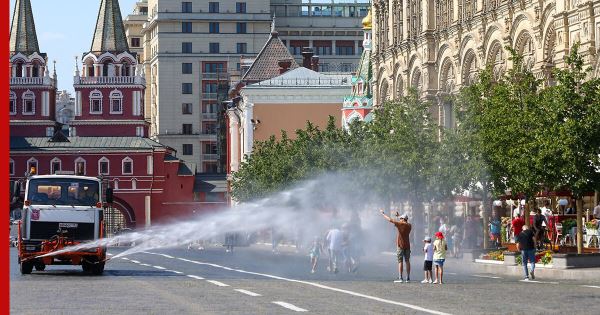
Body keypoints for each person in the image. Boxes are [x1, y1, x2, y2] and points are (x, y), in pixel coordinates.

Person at [380, 210, 412, 283]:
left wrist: (383, 214)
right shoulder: (409, 225)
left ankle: (400, 277)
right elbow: (403, 221)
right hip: (407, 245)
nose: (400, 219)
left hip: (400, 245)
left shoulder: (400, 224)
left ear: (403, 219)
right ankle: (408, 278)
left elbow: (390, 220)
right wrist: (399, 216)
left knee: (400, 262)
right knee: (407, 261)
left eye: (401, 218)